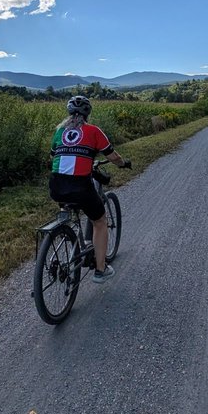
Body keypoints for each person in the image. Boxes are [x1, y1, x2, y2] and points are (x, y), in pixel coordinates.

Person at [49, 95, 131, 282]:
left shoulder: (59, 131)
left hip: (56, 185)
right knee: (100, 221)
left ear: (69, 112)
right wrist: (123, 164)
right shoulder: (93, 131)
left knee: (70, 211)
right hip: (80, 186)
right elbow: (112, 156)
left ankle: (72, 240)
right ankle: (100, 270)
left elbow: (54, 155)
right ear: (88, 114)